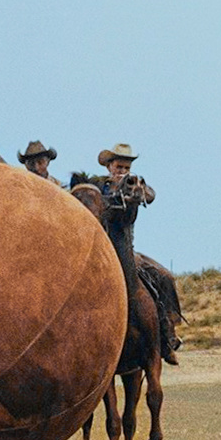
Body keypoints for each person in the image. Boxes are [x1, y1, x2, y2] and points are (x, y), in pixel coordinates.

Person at [74, 143, 182, 364]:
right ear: (109, 166)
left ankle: (168, 335)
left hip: (127, 251)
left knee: (164, 277)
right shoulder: (97, 185)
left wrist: (139, 192)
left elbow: (150, 195)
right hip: (100, 251)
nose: (122, 171)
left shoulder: (135, 183)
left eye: (126, 167)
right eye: (118, 166)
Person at [0, 112, 64, 187]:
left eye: (40, 162)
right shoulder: (20, 183)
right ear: (26, 165)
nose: (36, 168)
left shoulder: (60, 189)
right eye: (31, 164)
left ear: (48, 162)